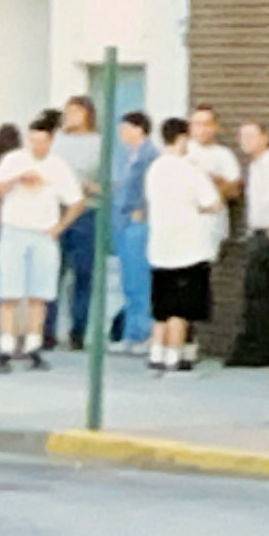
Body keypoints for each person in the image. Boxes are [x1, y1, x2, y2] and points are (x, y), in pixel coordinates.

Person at [0, 111, 85, 369]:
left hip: (43, 232)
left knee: (40, 294)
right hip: (15, 230)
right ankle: (6, 347)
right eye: (33, 141)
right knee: (10, 293)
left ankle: (33, 347)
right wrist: (17, 178)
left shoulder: (57, 165)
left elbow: (76, 200)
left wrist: (60, 226)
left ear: (50, 142)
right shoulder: (15, 160)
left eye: (42, 141)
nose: (37, 146)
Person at [141, 117, 224, 372]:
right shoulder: (190, 169)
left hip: (160, 245)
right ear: (182, 138)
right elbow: (214, 203)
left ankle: (157, 351)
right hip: (189, 246)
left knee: (162, 306)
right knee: (181, 307)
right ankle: (174, 355)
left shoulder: (154, 169)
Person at [186, 105, 245, 364]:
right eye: (197, 123)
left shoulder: (223, 155)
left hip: (209, 226)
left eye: (207, 123)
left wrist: (213, 180)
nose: (202, 128)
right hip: (180, 228)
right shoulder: (182, 152)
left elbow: (234, 190)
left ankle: (194, 339)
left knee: (200, 281)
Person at [51, 96, 105, 351]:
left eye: (77, 112)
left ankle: (78, 330)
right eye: (68, 111)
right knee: (52, 272)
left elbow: (109, 181)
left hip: (87, 211)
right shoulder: (56, 142)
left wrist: (93, 188)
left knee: (83, 274)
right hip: (57, 211)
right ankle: (46, 330)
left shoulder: (99, 143)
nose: (71, 116)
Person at [233, 119, 269, 381]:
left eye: (252, 136)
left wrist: (268, 228)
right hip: (257, 234)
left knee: (265, 292)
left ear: (265, 137)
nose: (246, 142)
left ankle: (266, 346)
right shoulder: (253, 167)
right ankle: (256, 344)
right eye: (243, 137)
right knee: (255, 293)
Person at [109, 109, 155, 356]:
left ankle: (142, 332)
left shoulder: (150, 156)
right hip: (122, 222)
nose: (122, 134)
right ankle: (130, 332)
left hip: (138, 223)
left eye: (126, 128)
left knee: (140, 280)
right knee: (128, 280)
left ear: (139, 129)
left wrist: (144, 209)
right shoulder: (127, 156)